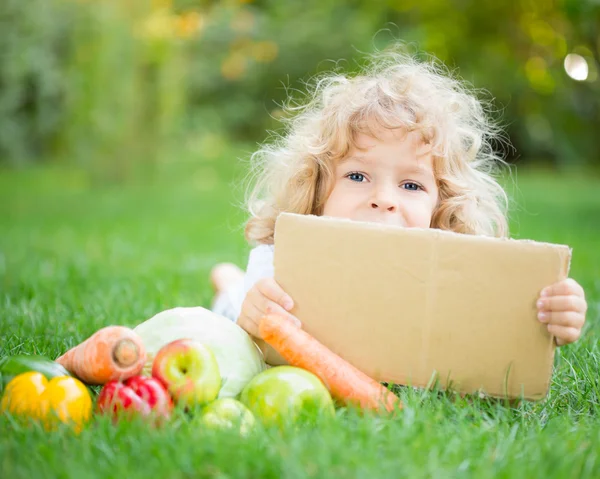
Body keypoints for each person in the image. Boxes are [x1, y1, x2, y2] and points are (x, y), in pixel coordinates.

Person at [209, 46, 587, 352]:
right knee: (233, 298)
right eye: (357, 176)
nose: (385, 199)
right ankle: (229, 282)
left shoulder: (456, 269)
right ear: (318, 189)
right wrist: (250, 309)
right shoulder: (281, 261)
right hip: (241, 299)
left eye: (411, 186)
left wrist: (556, 313)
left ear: (441, 206)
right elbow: (251, 336)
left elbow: (498, 316)